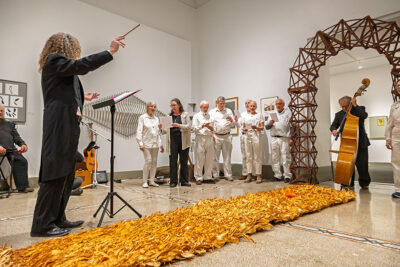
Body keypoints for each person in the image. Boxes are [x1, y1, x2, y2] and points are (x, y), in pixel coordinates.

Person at [31, 33, 125, 237]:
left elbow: (66, 94)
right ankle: (42, 225)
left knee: (65, 174)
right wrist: (109, 51)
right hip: (58, 126)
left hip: (67, 126)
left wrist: (83, 97)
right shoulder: (55, 60)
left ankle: (58, 218)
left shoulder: (64, 71)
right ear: (67, 47)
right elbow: (82, 65)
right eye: (75, 48)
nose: (77, 53)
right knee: (55, 174)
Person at [330, 95, 371, 189]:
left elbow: (364, 116)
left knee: (362, 164)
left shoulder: (359, 109)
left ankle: (364, 183)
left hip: (361, 142)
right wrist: (333, 130)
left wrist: (355, 105)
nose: (344, 108)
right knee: (347, 164)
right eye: (342, 106)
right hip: (346, 143)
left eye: (346, 106)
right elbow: (333, 126)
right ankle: (347, 182)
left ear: (351, 103)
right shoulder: (339, 114)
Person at [0, 105, 34, 193]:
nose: (0, 112)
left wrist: (23, 144)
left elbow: (16, 137)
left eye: (1, 111)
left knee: (22, 161)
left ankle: (22, 187)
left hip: (10, 149)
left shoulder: (8, 124)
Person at [161, 98, 191, 187]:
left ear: (179, 105)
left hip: (183, 141)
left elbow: (189, 126)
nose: (172, 107)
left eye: (174, 105)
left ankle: (184, 181)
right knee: (173, 162)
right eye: (171, 105)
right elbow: (164, 131)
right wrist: (160, 128)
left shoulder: (185, 115)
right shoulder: (168, 116)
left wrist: (179, 125)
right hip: (172, 141)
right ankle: (173, 182)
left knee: (184, 162)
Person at [136, 101, 164, 188]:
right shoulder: (142, 117)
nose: (153, 108)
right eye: (151, 106)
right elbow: (139, 131)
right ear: (147, 107)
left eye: (155, 106)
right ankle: (144, 181)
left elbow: (158, 133)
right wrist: (140, 143)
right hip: (146, 143)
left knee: (154, 162)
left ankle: (152, 180)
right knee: (148, 161)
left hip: (155, 143)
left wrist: (160, 144)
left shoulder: (156, 119)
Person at [210, 96, 238, 181]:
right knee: (215, 157)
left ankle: (228, 175)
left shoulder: (229, 111)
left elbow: (233, 125)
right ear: (217, 103)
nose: (222, 105)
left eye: (223, 103)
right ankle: (215, 175)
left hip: (227, 136)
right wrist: (212, 135)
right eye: (220, 103)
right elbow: (210, 125)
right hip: (216, 136)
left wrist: (232, 120)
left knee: (227, 157)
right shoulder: (212, 112)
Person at [265, 98, 292, 183]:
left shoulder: (288, 113)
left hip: (284, 138)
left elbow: (292, 126)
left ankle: (287, 176)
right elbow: (266, 127)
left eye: (280, 104)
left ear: (283, 105)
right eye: (276, 104)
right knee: (275, 157)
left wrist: (291, 138)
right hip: (274, 138)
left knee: (285, 157)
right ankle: (277, 175)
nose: (278, 105)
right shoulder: (271, 114)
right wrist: (270, 123)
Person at [192, 101, 215, 185]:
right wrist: (202, 126)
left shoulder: (211, 116)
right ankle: (198, 177)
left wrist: (210, 127)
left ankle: (208, 177)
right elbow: (194, 128)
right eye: (204, 107)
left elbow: (214, 129)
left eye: (207, 107)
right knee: (199, 158)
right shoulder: (196, 116)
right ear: (201, 107)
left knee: (209, 158)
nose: (206, 109)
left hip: (209, 137)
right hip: (200, 137)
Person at [242, 101, 265, 183]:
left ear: (256, 107)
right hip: (247, 135)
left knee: (257, 155)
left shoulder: (259, 115)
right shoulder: (245, 116)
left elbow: (262, 127)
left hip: (256, 135)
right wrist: (244, 129)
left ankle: (258, 175)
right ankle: (249, 175)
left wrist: (257, 127)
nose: (252, 107)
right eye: (250, 106)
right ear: (248, 106)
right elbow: (243, 127)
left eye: (253, 106)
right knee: (248, 155)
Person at [385, 80, 400, 198]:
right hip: (396, 135)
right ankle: (398, 189)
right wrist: (388, 138)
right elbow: (389, 123)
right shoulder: (394, 106)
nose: (399, 87)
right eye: (397, 86)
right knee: (396, 163)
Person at [238, 99, 251, 180]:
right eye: (245, 103)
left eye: (248, 103)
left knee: (250, 155)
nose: (247, 104)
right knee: (244, 155)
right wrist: (235, 120)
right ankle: (244, 173)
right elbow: (238, 125)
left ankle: (252, 173)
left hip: (251, 135)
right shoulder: (242, 114)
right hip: (243, 135)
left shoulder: (255, 114)